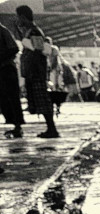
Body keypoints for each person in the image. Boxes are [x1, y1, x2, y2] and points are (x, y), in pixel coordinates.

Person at [14, 6, 58, 138]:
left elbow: (38, 49)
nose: (17, 20)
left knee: (42, 100)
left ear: (22, 16)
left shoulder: (34, 31)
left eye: (18, 17)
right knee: (39, 100)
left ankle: (52, 129)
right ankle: (50, 128)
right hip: (33, 72)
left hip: (36, 72)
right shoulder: (30, 32)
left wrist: (32, 70)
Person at [0, 23, 24, 138]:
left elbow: (14, 48)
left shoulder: (3, 31)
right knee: (4, 99)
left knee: (12, 97)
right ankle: (14, 124)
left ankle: (18, 126)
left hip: (7, 68)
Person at [46, 37, 67, 114]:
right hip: (51, 70)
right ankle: (54, 106)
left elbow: (55, 59)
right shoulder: (46, 49)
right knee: (53, 88)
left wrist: (51, 68)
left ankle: (57, 106)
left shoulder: (54, 49)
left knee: (56, 87)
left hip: (55, 70)